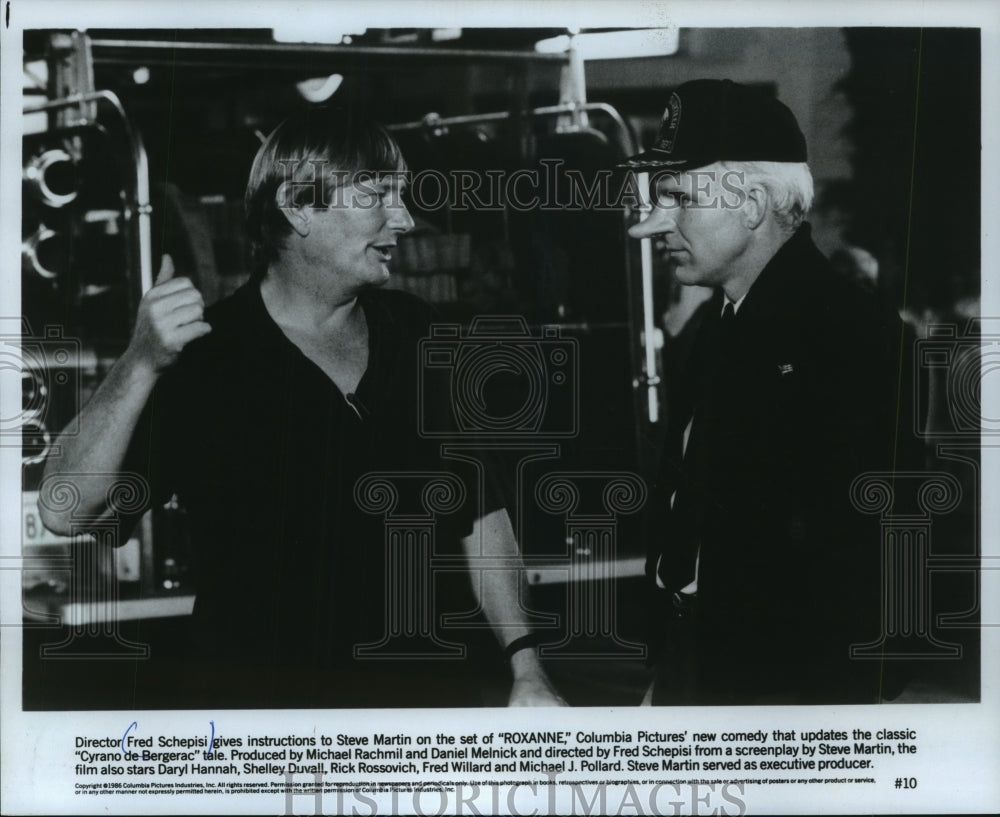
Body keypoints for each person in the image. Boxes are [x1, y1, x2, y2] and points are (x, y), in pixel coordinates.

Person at [39, 107, 563, 708]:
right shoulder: (208, 357)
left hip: (427, 709)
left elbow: (482, 517)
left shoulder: (420, 334)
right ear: (298, 205)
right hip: (262, 727)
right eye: (378, 196)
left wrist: (526, 665)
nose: (406, 219)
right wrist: (139, 362)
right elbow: (65, 510)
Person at [623, 79, 909, 704]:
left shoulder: (847, 334)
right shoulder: (723, 323)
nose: (649, 227)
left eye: (675, 197)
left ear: (750, 205)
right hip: (701, 664)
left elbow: (873, 564)